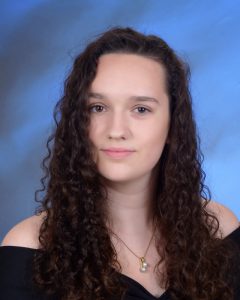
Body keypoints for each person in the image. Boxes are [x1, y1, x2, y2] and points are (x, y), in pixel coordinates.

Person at [0, 26, 239, 300]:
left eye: (141, 109)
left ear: (174, 126)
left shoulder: (219, 231)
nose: (116, 130)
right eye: (98, 108)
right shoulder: (28, 248)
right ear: (77, 122)